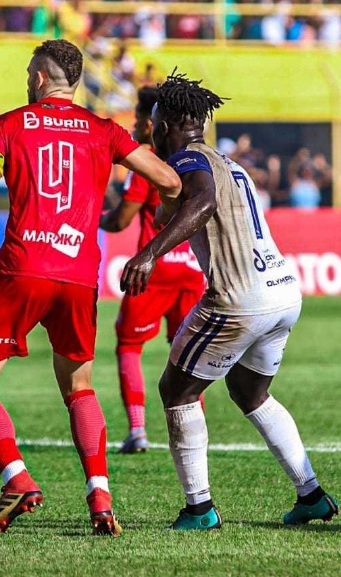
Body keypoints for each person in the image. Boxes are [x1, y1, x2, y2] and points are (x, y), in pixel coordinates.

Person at [0, 40, 181, 537]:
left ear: (39, 78)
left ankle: (17, 478)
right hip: (80, 276)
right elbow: (168, 179)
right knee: (79, 386)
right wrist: (162, 227)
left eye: (27, 73)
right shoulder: (105, 130)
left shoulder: (10, 124)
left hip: (21, 268)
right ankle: (100, 498)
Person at [120, 70, 338, 531]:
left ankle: (199, 509)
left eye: (157, 123)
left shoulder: (189, 162)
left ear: (171, 125)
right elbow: (184, 204)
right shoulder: (228, 162)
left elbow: (201, 202)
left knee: (175, 390)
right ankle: (311, 494)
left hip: (239, 299)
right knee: (250, 391)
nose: (153, 130)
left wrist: (149, 253)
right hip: (282, 292)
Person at [100, 86, 206, 455]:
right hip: (193, 269)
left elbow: (121, 220)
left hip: (155, 270)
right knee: (188, 353)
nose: (130, 126)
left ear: (151, 124)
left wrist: (94, 218)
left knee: (129, 345)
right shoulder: (197, 158)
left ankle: (137, 430)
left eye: (135, 119)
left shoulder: (145, 161)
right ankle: (197, 433)